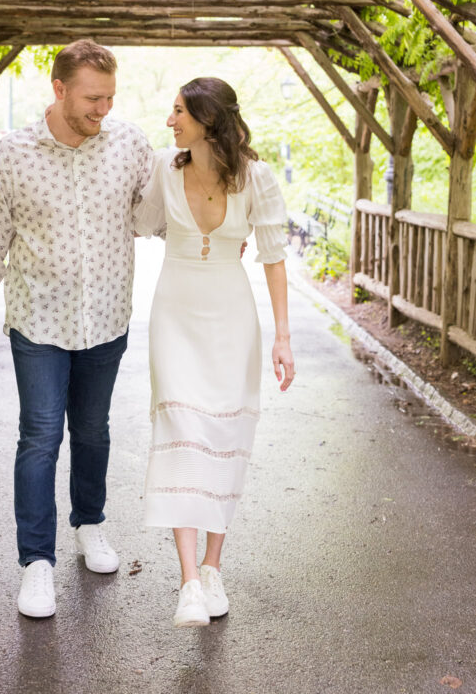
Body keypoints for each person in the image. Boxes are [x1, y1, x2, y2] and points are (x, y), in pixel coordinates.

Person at [0, 40, 153, 619]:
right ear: (60, 89)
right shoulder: (14, 155)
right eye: (94, 98)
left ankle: (89, 524)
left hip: (106, 318)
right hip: (39, 321)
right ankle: (36, 562)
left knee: (93, 431)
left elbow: (164, 206)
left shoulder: (129, 144)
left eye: (111, 97)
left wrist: (222, 227)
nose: (103, 110)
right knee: (40, 436)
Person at [134, 77, 295, 627]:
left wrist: (282, 336)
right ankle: (187, 586)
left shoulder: (257, 177)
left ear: (207, 118)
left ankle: (212, 567)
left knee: (224, 434)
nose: (171, 120)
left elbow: (273, 256)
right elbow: (139, 219)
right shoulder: (162, 167)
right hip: (174, 312)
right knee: (180, 431)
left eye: (179, 111)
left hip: (231, 316)